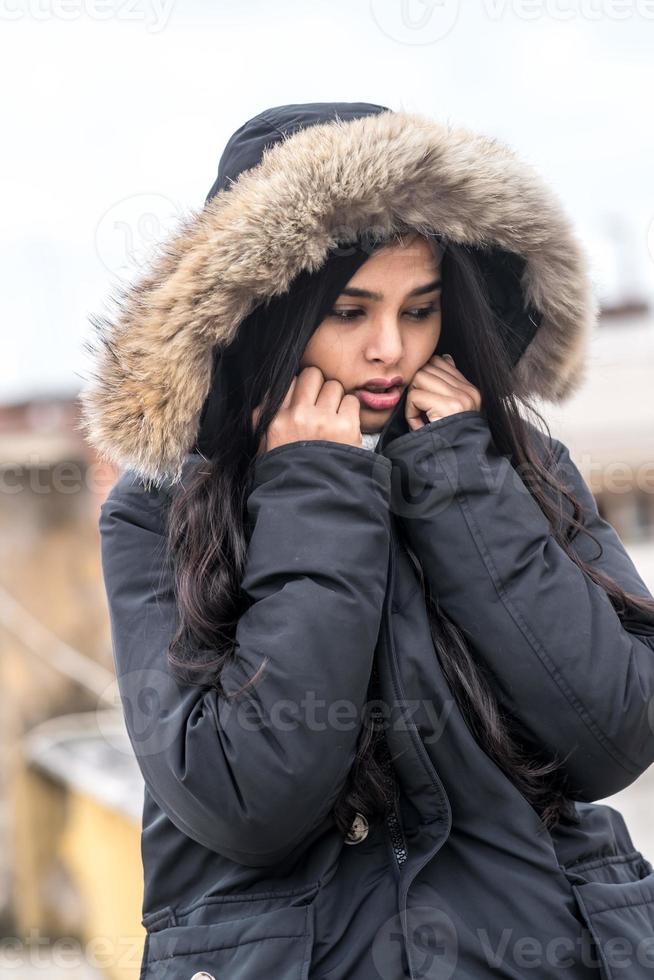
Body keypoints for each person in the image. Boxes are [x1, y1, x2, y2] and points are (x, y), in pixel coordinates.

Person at [79, 103, 654, 979]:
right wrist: (313, 488)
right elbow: (246, 799)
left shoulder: (515, 465)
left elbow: (613, 736)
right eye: (350, 311)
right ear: (265, 313)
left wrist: (464, 487)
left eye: (420, 309)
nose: (391, 349)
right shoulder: (161, 511)